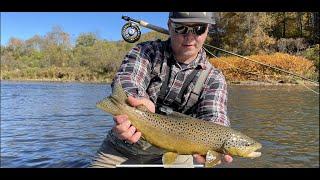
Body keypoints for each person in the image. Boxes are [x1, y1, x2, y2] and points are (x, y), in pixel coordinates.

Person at [91, 12, 233, 168]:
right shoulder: (146, 52)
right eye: (181, 28)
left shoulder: (214, 78)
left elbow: (215, 116)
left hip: (176, 154)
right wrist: (137, 102)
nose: (190, 36)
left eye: (199, 28)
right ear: (170, 26)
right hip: (120, 149)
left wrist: (215, 146)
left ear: (208, 29)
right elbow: (128, 79)